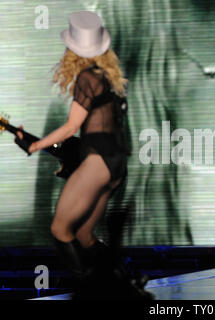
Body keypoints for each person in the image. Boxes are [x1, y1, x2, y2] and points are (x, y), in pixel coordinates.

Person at [15, 11, 151, 299]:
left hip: (98, 161)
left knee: (60, 229)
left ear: (73, 50)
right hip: (115, 165)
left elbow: (72, 127)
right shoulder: (109, 80)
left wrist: (36, 146)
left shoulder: (87, 78)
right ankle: (124, 281)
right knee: (84, 235)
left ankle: (90, 292)